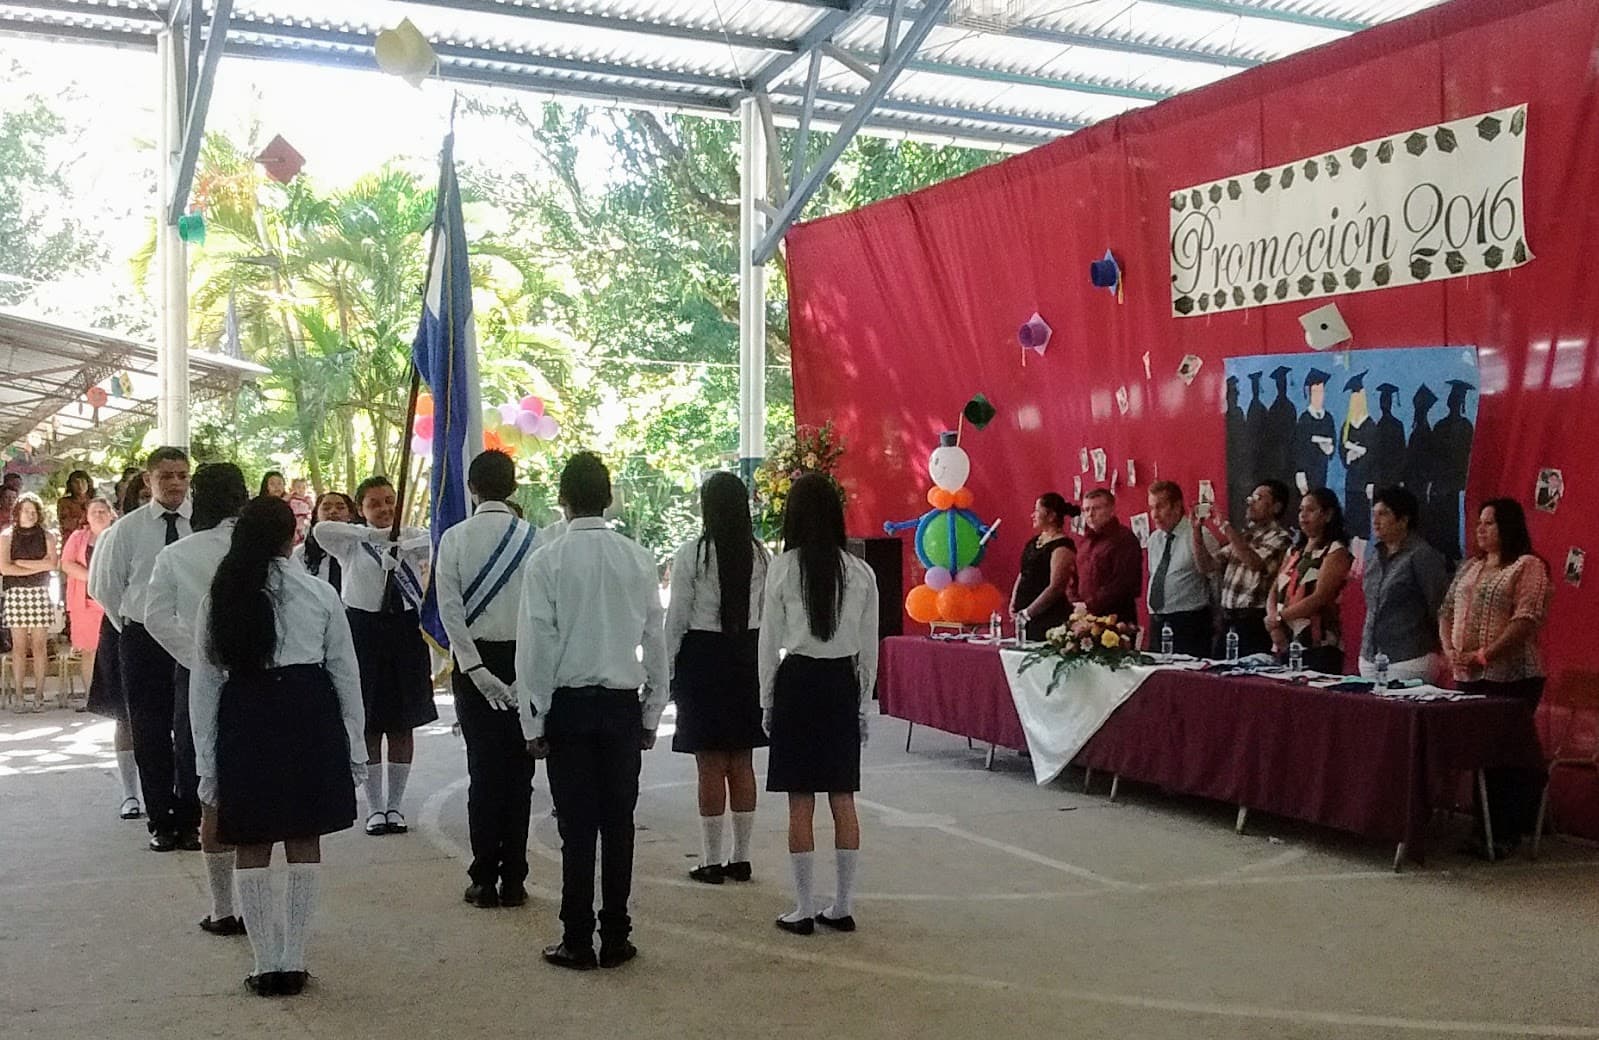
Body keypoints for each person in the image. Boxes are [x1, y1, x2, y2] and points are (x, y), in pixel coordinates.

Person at [190, 495, 366, 996]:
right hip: (308, 711)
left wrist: (207, 760)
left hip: (246, 712)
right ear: (293, 537)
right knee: (304, 835)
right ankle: (294, 958)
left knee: (251, 838)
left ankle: (264, 962)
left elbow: (205, 684)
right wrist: (355, 741)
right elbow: (345, 673)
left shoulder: (220, 598)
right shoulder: (319, 593)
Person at [517, 452, 667, 971]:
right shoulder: (638, 558)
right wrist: (652, 712)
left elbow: (536, 648)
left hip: (570, 707)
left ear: (562, 500)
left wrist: (533, 719)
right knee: (619, 823)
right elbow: (655, 640)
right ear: (609, 499)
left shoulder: (547, 561)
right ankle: (617, 935)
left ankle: (577, 937)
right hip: (622, 706)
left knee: (576, 826)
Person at [760, 472, 878, 937]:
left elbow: (768, 644)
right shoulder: (861, 572)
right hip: (840, 683)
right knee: (843, 795)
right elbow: (869, 650)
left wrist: (767, 700)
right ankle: (843, 905)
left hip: (797, 682)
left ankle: (803, 907)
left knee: (800, 799)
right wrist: (861, 703)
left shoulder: (782, 568)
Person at [145, 463, 251, 936]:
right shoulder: (264, 552)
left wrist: (199, 658)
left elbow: (155, 618)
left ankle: (222, 907)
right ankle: (258, 903)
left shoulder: (177, 554)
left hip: (198, 677)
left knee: (211, 782)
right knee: (260, 783)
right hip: (262, 676)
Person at [434, 450, 540, 910]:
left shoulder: (454, 538)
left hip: (474, 659)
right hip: (525, 660)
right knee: (520, 773)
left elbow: (449, 609)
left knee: (483, 772)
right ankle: (515, 879)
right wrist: (526, 673)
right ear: (513, 487)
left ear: (472, 488)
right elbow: (543, 613)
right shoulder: (535, 538)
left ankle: (483, 880)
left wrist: (475, 669)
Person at [311, 476, 436, 836]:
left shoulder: (412, 536)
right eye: (374, 503)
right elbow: (322, 531)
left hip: (405, 631)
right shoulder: (351, 543)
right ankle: (374, 807)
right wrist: (376, 537)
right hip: (364, 632)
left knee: (402, 721)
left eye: (390, 501)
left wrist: (400, 541)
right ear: (360, 509)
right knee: (368, 720)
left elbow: (435, 542)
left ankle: (395, 805)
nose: (384, 509)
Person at [88, 446, 197, 851]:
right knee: (149, 729)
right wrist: (132, 627)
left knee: (190, 729)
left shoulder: (202, 525)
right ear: (149, 480)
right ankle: (161, 820)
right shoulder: (128, 529)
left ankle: (191, 819)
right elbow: (105, 587)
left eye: (182, 475)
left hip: (190, 639)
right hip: (142, 639)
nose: (175, 483)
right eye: (166, 475)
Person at [665, 470, 770, 885]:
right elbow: (765, 613)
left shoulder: (693, 554)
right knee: (742, 761)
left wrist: (666, 667)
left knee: (709, 763)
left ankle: (710, 860)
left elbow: (677, 618)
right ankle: (741, 858)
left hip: (703, 657)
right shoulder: (761, 554)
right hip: (747, 655)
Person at [1440, 498, 1551, 857]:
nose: (1481, 529)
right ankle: (1482, 827)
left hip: (1512, 677)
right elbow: (1445, 612)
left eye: (1489, 523)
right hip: (1467, 675)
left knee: (1503, 753)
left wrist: (1484, 655)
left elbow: (1526, 619)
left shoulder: (1527, 566)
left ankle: (1505, 831)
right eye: (1479, 523)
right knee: (1479, 752)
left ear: (1508, 526)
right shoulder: (1470, 566)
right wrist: (1451, 651)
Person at [78, 501, 142, 818]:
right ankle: (130, 793)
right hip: (124, 627)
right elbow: (99, 586)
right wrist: (125, 622)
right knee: (125, 714)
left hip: (169, 630)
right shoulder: (114, 535)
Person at [1193, 480, 1293, 659]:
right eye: (1250, 498)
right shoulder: (1244, 536)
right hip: (1227, 620)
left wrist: (1225, 526)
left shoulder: (1281, 537)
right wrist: (1196, 532)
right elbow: (1207, 566)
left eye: (1258, 498)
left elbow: (1255, 563)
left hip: (1252, 622)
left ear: (1276, 507)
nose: (1250, 502)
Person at [1359, 486, 1449, 683]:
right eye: (1374, 514)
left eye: (1383, 514)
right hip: (1370, 656)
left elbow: (1440, 605)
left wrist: (1444, 647)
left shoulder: (1422, 555)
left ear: (1403, 520)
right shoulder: (1375, 556)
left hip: (1409, 657)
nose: (1375, 521)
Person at [1268, 489, 1352, 674]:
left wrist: (1280, 618)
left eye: (1310, 510)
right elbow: (1274, 589)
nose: (1303, 515)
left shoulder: (1335, 551)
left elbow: (1320, 597)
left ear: (1328, 515)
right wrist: (1274, 624)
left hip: (1318, 645)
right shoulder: (1295, 551)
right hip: (1284, 641)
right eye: (1301, 510)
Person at [1142, 481, 1215, 657]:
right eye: (1152, 508)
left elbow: (1215, 579)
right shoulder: (1154, 539)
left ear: (1176, 507)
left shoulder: (1199, 535)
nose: (1154, 515)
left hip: (1189, 622)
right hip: (1158, 620)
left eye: (1160, 507)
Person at [2, 493, 60, 712]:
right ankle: (19, 695)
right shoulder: (7, 536)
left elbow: (52, 564)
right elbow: (4, 568)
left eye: (34, 511)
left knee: (39, 646)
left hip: (40, 591)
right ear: (17, 512)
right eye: (26, 510)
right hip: (16, 593)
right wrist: (37, 565)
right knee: (18, 647)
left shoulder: (47, 535)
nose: (30, 514)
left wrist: (21, 563)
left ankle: (38, 695)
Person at [61, 497, 115, 707]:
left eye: (103, 511)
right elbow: (67, 564)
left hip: (113, 603)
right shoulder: (78, 537)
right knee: (89, 651)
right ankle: (91, 698)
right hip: (85, 603)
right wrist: (94, 577)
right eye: (94, 512)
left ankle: (112, 698)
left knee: (111, 651)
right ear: (87, 516)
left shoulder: (120, 535)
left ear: (111, 514)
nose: (99, 515)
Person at [1010, 493, 1078, 642]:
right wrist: (1014, 602)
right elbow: (1023, 572)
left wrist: (1029, 613)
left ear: (1051, 516)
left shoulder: (1062, 546)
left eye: (1037, 511)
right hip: (1024, 617)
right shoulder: (1034, 542)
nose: (1032, 515)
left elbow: (1056, 587)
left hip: (1047, 618)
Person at [1076, 489, 1142, 625]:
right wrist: (1075, 602)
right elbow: (1074, 575)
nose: (1090, 514)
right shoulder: (1085, 542)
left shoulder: (1124, 539)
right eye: (1086, 509)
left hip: (1116, 619)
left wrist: (1089, 605)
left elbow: (1123, 583)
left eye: (1096, 508)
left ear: (1111, 510)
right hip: (1084, 617)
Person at [293, 492, 357, 594]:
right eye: (326, 508)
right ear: (316, 516)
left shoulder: (361, 549)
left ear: (350, 515)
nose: (333, 511)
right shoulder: (299, 554)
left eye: (340, 508)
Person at [57, 469, 94, 539]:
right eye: (76, 482)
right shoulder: (64, 503)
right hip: (72, 540)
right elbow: (67, 524)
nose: (80, 485)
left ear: (88, 483)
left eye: (83, 482)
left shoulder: (96, 502)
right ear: (70, 485)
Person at [288, 477, 314, 544]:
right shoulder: (290, 498)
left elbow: (313, 509)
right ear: (293, 488)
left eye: (303, 488)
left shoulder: (307, 499)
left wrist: (310, 503)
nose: (301, 489)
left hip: (304, 522)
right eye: (298, 487)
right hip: (293, 522)